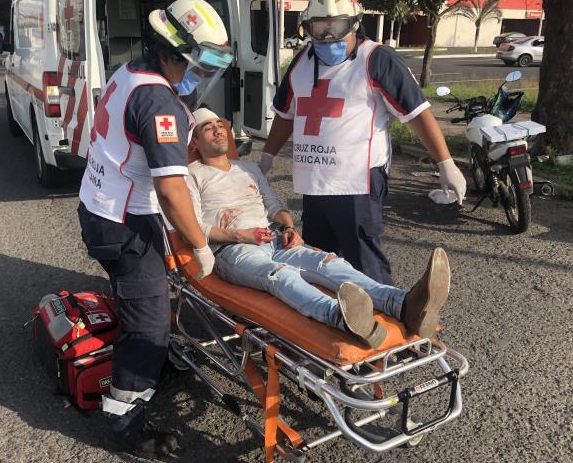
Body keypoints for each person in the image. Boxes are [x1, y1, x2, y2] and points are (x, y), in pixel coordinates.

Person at [77, 0, 233, 458]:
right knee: (147, 326)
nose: (203, 73)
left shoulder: (130, 72)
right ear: (170, 49)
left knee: (140, 303)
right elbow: (170, 190)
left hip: (102, 205)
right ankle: (126, 424)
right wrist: (201, 243)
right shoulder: (158, 100)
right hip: (124, 221)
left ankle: (149, 367)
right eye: (199, 61)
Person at [186, 108, 451, 348]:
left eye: (220, 124)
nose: (218, 129)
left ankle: (404, 305)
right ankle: (343, 318)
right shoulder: (191, 175)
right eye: (207, 128)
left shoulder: (249, 168)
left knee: (332, 264)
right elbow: (193, 225)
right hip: (234, 250)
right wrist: (240, 235)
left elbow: (273, 204)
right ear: (195, 143)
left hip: (275, 239)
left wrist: (288, 226)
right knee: (278, 275)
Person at [258, 0, 466, 286]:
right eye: (319, 27)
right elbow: (286, 114)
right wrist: (266, 157)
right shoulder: (301, 64)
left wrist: (445, 162)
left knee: (365, 266)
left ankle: (387, 323)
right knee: (319, 263)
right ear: (306, 28)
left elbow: (416, 114)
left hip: (357, 186)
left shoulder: (377, 59)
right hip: (314, 187)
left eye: (337, 25)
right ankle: (331, 324)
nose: (328, 36)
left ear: (356, 23)